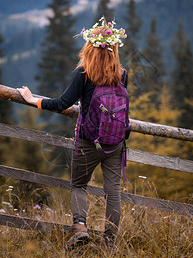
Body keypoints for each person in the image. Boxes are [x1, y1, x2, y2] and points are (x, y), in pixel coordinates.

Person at [17, 16, 128, 249]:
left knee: (78, 185)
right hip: (115, 143)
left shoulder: (84, 73)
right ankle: (109, 243)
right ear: (114, 48)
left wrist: (32, 100)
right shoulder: (121, 74)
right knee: (113, 192)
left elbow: (62, 103)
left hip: (89, 142)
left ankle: (80, 228)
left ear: (90, 46)